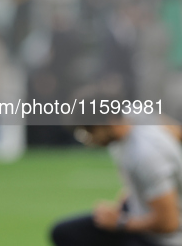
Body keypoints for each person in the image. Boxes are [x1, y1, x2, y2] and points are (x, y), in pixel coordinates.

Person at [51, 89, 182, 246]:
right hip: (137, 214)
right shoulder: (134, 114)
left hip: (161, 240)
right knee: (64, 233)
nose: (87, 140)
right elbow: (177, 132)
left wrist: (120, 223)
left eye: (89, 131)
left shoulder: (146, 155)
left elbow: (169, 224)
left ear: (109, 123)